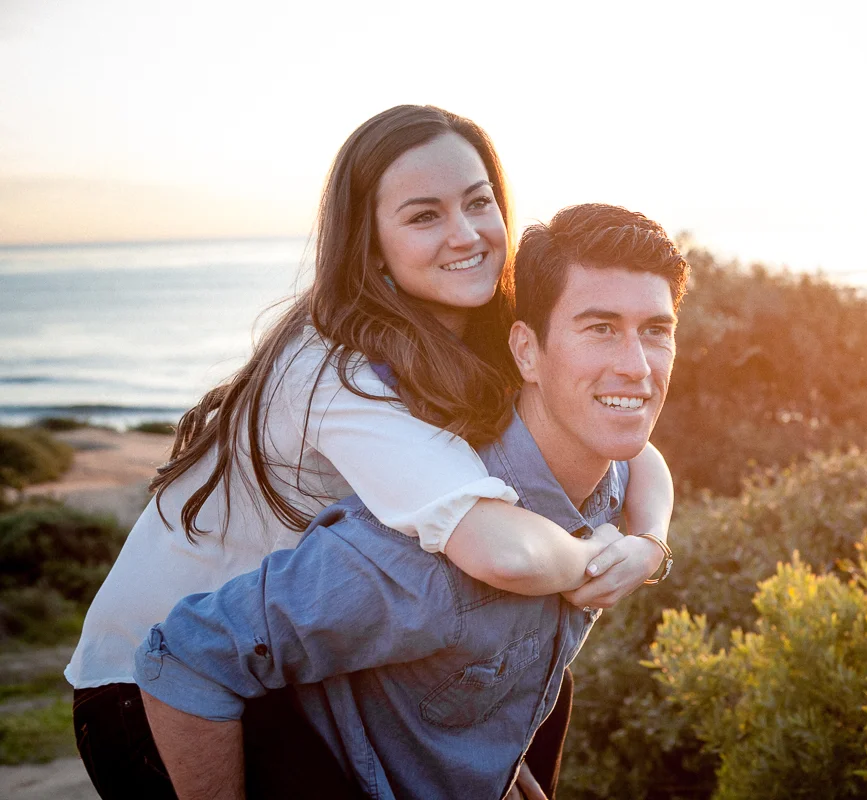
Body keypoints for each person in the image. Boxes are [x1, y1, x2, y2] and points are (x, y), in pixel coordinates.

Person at [67, 108, 674, 799]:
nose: (466, 234)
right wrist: (598, 559)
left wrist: (648, 544)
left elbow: (632, 450)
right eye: (424, 216)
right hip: (157, 684)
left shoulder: (477, 330)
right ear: (370, 243)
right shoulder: (337, 374)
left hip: (286, 652)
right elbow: (496, 550)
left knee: (540, 675)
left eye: (479, 203)